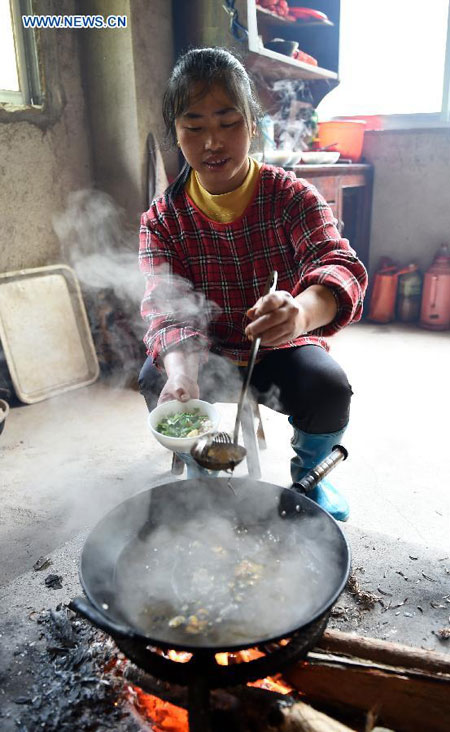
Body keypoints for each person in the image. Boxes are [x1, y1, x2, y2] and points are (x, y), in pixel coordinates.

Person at [138, 48, 368, 521]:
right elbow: (166, 307)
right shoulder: (163, 220)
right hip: (209, 352)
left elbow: (337, 263)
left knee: (329, 389)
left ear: (252, 123)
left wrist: (300, 313)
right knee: (155, 376)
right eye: (194, 126)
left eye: (228, 122)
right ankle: (202, 467)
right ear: (176, 135)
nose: (213, 142)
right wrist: (183, 372)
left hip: (280, 349)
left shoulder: (290, 196)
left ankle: (311, 478)